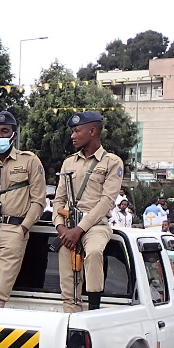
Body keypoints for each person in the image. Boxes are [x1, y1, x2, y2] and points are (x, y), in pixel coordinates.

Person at [0, 111, 45, 307]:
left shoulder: (29, 161)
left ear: (14, 135)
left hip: (14, 228)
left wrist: (23, 229)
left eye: (5, 131)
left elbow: (38, 201)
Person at [52, 111, 123, 312]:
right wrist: (60, 227)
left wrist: (79, 230)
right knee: (68, 280)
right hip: (67, 227)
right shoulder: (69, 163)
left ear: (92, 131)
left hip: (95, 225)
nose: (72, 136)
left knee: (93, 253)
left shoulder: (112, 162)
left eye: (77, 131)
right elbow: (59, 199)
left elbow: (106, 201)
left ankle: (93, 307)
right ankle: (71, 315)